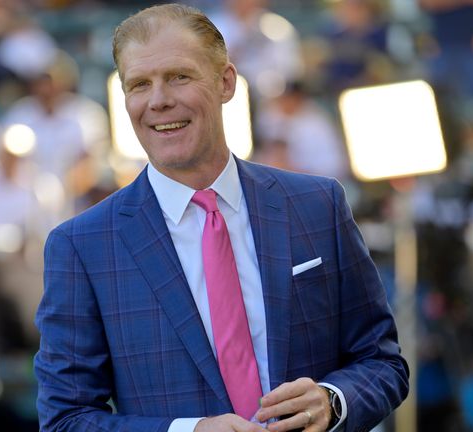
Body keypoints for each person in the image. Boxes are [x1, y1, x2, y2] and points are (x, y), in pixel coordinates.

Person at [34, 4, 408, 432]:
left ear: (226, 82)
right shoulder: (83, 245)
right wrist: (187, 431)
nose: (159, 100)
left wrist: (332, 400)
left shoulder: (317, 204)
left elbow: (381, 361)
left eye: (179, 76)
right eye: (140, 84)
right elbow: (66, 419)